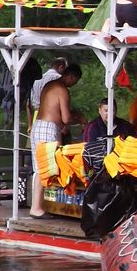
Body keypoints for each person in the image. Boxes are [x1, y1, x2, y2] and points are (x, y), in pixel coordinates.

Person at [30, 63, 84, 217]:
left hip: (38, 126)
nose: (73, 85)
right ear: (71, 76)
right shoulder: (62, 89)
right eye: (75, 81)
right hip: (48, 128)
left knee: (39, 168)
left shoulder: (50, 85)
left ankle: (39, 205)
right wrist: (79, 118)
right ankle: (36, 207)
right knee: (45, 168)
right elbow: (66, 118)